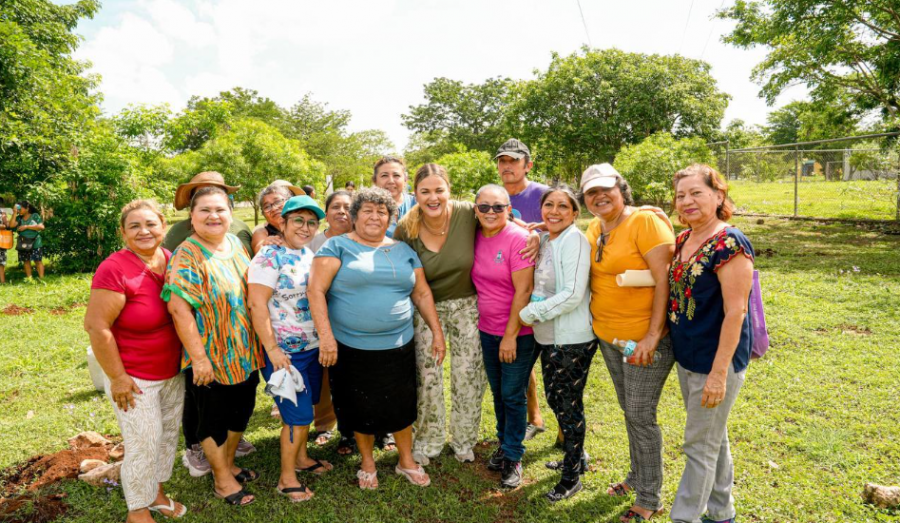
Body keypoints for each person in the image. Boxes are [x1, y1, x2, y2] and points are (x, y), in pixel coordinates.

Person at [308, 187, 445, 490]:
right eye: (367, 210)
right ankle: (367, 462)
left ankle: (406, 461)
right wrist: (327, 339)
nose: (374, 216)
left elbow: (421, 292)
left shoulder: (403, 250)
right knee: (359, 406)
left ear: (389, 217)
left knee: (402, 404)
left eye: (381, 211)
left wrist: (437, 332)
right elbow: (315, 291)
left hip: (399, 344)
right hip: (352, 347)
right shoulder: (336, 247)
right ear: (355, 216)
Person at [582, 164, 675, 522]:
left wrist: (653, 335)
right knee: (630, 411)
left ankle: (650, 498)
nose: (599, 197)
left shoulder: (645, 222)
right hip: (609, 335)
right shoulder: (595, 226)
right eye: (591, 192)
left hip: (643, 339)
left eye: (606, 189)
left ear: (622, 189)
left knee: (640, 415)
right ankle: (637, 476)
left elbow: (664, 281)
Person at [84, 200, 187, 522]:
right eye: (135, 226)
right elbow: (96, 326)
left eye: (151, 224)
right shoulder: (115, 268)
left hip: (172, 372)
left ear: (163, 226)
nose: (144, 231)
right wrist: (117, 378)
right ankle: (137, 511)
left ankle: (154, 493)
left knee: (167, 437)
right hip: (135, 378)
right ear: (123, 232)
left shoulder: (168, 260)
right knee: (143, 444)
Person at [162, 186, 263, 507]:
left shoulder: (234, 243)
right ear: (191, 217)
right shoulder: (187, 253)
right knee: (214, 420)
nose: (213, 216)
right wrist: (199, 358)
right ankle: (221, 480)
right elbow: (179, 308)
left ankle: (229, 464)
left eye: (220, 209)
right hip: (210, 356)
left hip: (245, 352)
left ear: (230, 214)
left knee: (241, 412)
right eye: (204, 210)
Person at [667, 164, 754, 523]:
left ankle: (684, 517)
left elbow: (736, 313)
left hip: (715, 362)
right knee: (713, 439)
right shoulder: (683, 239)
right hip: (688, 358)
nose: (686, 201)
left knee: (698, 445)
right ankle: (722, 513)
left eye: (696, 193)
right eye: (680, 195)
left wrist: (719, 374)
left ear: (719, 196)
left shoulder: (729, 242)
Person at [393, 164, 487, 465]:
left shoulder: (468, 213)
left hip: (467, 305)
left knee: (468, 374)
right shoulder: (406, 227)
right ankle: (429, 439)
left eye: (439, 190)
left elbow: (505, 221)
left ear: (449, 190)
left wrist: (532, 234)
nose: (433, 198)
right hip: (425, 309)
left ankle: (463, 440)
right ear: (415, 193)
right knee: (427, 376)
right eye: (425, 191)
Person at [248, 195, 331, 503]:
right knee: (296, 416)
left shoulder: (307, 254)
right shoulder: (269, 257)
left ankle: (301, 458)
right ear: (281, 223)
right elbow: (256, 304)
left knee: (305, 410)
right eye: (298, 220)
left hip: (310, 348)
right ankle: (287, 478)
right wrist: (272, 350)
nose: (306, 227)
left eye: (312, 222)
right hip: (285, 353)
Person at [517, 184, 596, 502]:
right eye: (549, 205)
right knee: (556, 399)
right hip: (548, 336)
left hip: (571, 339)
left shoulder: (574, 240)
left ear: (575, 213)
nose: (554, 211)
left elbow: (574, 293)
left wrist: (530, 312)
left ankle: (571, 477)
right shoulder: (549, 238)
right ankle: (576, 459)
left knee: (568, 407)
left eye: (563, 206)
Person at [471, 184, 536, 489]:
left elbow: (523, 291)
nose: (491, 213)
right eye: (484, 207)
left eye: (498, 207)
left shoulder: (519, 239)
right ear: (475, 209)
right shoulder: (474, 236)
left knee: (512, 394)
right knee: (498, 392)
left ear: (510, 209)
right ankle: (504, 442)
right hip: (487, 329)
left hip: (518, 333)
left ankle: (513, 455)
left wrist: (510, 336)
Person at [494, 138, 549, 441]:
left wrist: (535, 228)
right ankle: (534, 416)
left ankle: (569, 437)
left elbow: (568, 219)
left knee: (554, 361)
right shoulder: (495, 198)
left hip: (547, 288)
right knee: (519, 357)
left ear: (527, 164)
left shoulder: (542, 194)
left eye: (513, 161)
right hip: (511, 289)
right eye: (502, 161)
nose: (507, 166)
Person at [307, 190, 353, 453]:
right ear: (326, 212)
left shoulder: (362, 239)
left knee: (350, 376)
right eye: (336, 206)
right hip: (317, 317)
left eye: (348, 206)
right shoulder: (313, 242)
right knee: (323, 373)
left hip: (350, 319)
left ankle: (353, 427)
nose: (342, 211)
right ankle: (324, 424)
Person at [250, 181, 305, 255]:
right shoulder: (262, 232)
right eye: (266, 207)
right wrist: (265, 244)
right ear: (263, 214)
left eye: (278, 201)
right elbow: (259, 250)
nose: (273, 208)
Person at [372, 156, 416, 239]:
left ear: (405, 179)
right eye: (384, 175)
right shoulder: (364, 209)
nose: (391, 181)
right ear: (375, 180)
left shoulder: (417, 204)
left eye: (396, 175)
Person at [14, 200, 45, 279]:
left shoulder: (34, 216)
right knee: (26, 261)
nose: (19, 210)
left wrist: (26, 227)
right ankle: (29, 279)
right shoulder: (18, 218)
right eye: (18, 209)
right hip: (24, 243)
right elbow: (11, 225)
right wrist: (14, 213)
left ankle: (42, 278)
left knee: (38, 260)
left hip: (36, 242)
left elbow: (41, 227)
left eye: (20, 209)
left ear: (27, 208)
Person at [0, 208, 9, 284]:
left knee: (1, 261)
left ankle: (2, 281)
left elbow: (7, 225)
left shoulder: (2, 212)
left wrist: (5, 218)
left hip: (1, 240)